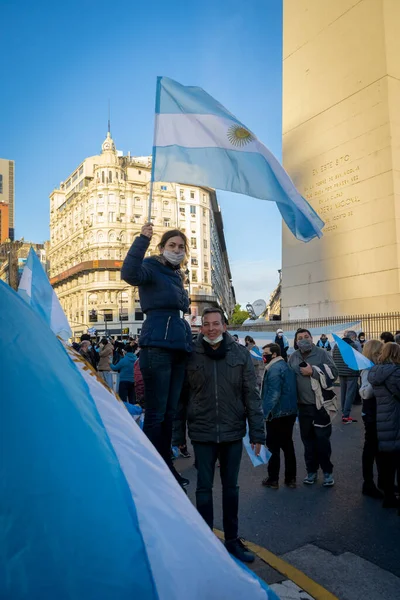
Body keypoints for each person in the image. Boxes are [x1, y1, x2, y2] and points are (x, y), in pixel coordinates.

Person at [177, 307, 265, 563]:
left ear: (225, 326)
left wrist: (257, 433)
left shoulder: (240, 354)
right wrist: (177, 435)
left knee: (231, 489)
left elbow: (251, 395)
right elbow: (182, 399)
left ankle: (232, 540)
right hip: (202, 432)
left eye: (216, 323)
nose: (212, 328)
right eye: (207, 324)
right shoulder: (190, 354)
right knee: (203, 489)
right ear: (201, 327)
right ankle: (205, 542)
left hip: (232, 432)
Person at [121, 224, 192, 488]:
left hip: (178, 347)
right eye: (172, 245)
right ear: (162, 248)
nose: (177, 250)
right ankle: (152, 470)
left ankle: (166, 468)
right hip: (157, 347)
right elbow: (128, 273)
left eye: (181, 247)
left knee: (170, 413)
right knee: (156, 414)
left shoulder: (177, 275)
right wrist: (143, 239)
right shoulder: (151, 266)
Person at [289, 328, 338, 486]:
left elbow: (334, 373)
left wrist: (314, 372)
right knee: (308, 441)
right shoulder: (293, 357)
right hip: (302, 407)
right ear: (296, 341)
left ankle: (327, 472)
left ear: (311, 338)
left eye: (306, 336)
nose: (304, 339)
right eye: (300, 337)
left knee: (322, 441)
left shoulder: (322, 353)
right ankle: (311, 471)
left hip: (320, 405)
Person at [368, 342, 400, 512]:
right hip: (396, 418)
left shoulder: (375, 372)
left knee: (388, 462)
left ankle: (388, 496)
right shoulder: (396, 373)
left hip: (382, 418)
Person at [261, 343, 298, 489]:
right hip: (290, 412)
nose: (264, 356)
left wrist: (266, 412)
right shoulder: (286, 366)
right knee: (288, 445)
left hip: (276, 414)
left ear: (274, 354)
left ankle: (273, 479)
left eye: (266, 353)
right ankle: (290, 479)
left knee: (273, 447)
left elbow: (273, 394)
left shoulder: (274, 369)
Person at [359, 340, 384, 498]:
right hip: (371, 413)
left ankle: (382, 481)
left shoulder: (372, 368)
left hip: (376, 412)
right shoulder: (368, 370)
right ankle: (368, 483)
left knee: (379, 449)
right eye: (380, 352)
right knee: (371, 449)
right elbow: (365, 393)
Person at [332, 330, 359, 423]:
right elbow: (357, 359)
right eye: (355, 338)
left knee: (343, 392)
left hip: (340, 371)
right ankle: (346, 415)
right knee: (350, 393)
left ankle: (343, 411)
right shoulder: (353, 345)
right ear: (352, 337)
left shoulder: (337, 345)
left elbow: (334, 357)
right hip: (352, 372)